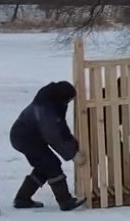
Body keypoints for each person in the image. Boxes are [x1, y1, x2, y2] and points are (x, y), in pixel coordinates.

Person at [8, 81, 86, 211]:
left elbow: (61, 127)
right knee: (51, 165)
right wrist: (72, 154)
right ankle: (65, 201)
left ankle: (22, 199)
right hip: (24, 138)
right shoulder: (45, 110)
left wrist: (73, 144)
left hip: (32, 137)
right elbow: (53, 136)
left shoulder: (55, 102)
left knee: (43, 166)